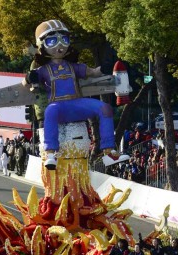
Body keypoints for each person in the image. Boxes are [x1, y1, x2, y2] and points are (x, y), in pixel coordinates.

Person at [25, 20, 126, 169]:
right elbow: (26, 82)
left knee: (105, 108)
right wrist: (29, 78)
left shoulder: (73, 67)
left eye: (63, 39)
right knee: (50, 111)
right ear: (42, 45)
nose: (60, 45)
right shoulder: (44, 69)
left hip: (76, 104)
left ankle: (109, 152)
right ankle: (51, 153)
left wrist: (104, 67)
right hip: (58, 106)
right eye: (52, 41)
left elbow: (92, 72)